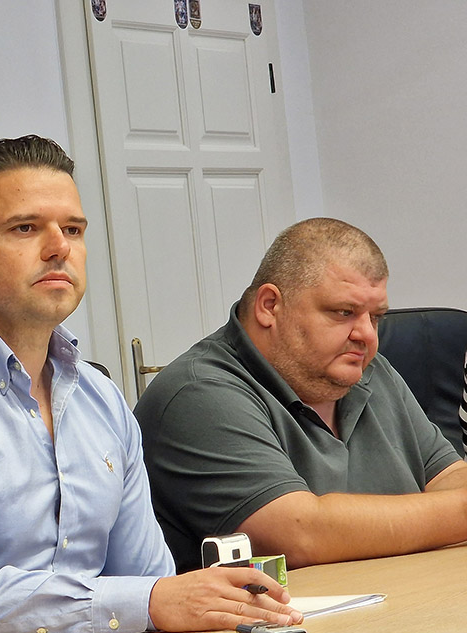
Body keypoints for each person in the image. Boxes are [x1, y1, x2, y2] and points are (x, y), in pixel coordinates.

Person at [0, 135, 301, 633]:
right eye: (25, 228)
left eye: (73, 230)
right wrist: (150, 601)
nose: (59, 248)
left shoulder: (101, 397)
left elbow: (149, 578)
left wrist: (176, 601)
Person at [135, 218, 467, 572]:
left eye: (376, 317)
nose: (367, 335)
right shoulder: (197, 393)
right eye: (344, 312)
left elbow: (449, 477)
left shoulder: (371, 371)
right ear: (269, 306)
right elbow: (299, 535)